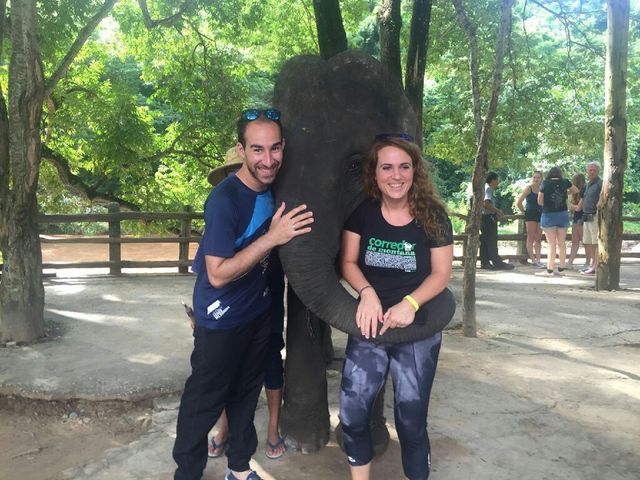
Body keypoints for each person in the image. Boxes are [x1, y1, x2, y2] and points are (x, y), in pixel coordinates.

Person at [172, 108, 314, 480]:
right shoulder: (225, 200)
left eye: (275, 148)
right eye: (257, 150)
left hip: (256, 314)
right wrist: (272, 238)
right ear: (241, 150)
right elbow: (217, 274)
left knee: (246, 394)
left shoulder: (273, 192)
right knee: (204, 401)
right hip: (221, 319)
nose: (268, 160)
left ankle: (237, 468)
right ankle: (186, 473)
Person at [339, 134, 453, 480]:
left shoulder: (433, 216)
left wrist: (410, 302)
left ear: (415, 171)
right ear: (374, 173)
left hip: (416, 331)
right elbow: (348, 261)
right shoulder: (363, 214)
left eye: (404, 167)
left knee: (411, 421)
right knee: (352, 416)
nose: (396, 175)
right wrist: (367, 292)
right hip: (370, 328)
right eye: (386, 167)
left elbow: (441, 274)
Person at [203, 147, 287, 461]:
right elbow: (212, 264)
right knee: (228, 365)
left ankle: (273, 428)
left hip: (267, 293)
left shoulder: (272, 204)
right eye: (232, 172)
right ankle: (225, 427)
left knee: (270, 359)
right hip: (228, 300)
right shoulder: (222, 206)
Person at [536, 167, 578, 276]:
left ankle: (550, 269)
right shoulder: (565, 182)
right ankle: (561, 266)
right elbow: (576, 190)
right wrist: (565, 193)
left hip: (548, 215)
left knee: (551, 244)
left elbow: (540, 201)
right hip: (562, 214)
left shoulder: (544, 183)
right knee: (562, 242)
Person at [480, 172, 514, 270]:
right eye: (497, 180)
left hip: (483, 218)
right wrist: (497, 211)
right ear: (493, 180)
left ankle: (485, 262)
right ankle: (497, 263)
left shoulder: (484, 188)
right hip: (488, 218)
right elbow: (486, 204)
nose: (498, 182)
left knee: (485, 241)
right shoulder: (488, 189)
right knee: (491, 240)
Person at [516, 171, 544, 267]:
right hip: (530, 214)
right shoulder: (529, 188)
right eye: (534, 177)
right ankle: (533, 260)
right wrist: (523, 211)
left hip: (541, 214)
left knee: (538, 238)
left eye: (538, 178)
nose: (536, 179)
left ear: (541, 178)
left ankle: (538, 259)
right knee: (530, 237)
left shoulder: (542, 188)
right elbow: (519, 202)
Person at [580, 162, 603, 276]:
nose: (591, 172)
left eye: (593, 170)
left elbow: (603, 197)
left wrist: (599, 206)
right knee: (588, 241)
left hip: (595, 215)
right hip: (586, 215)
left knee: (595, 243)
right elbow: (584, 198)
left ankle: (595, 266)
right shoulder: (588, 184)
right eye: (590, 170)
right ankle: (592, 264)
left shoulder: (600, 183)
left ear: (598, 171)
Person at [567, 172, 587, 268]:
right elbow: (572, 206)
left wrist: (572, 206)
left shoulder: (585, 190)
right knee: (574, 241)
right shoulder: (573, 192)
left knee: (585, 241)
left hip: (582, 217)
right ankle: (570, 262)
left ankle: (588, 262)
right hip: (576, 217)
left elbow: (579, 207)